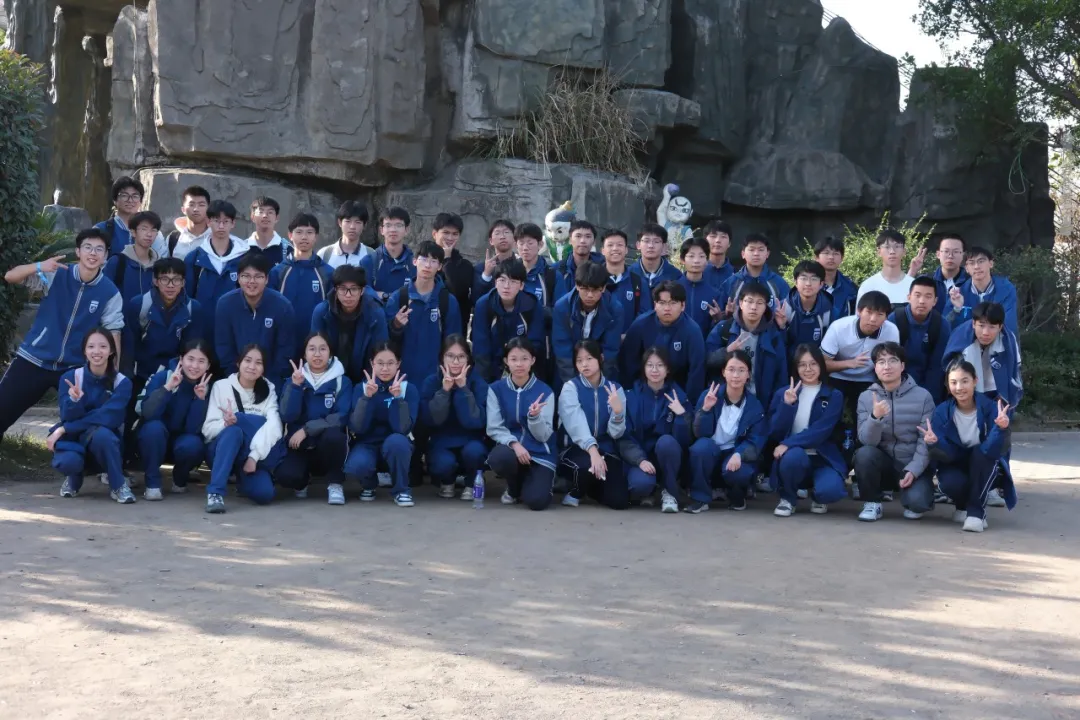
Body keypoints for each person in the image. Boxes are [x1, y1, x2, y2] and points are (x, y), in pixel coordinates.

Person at [0, 228, 124, 446]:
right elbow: (11, 277)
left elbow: (114, 332)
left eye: (99, 249)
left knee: (89, 420)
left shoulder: (110, 292)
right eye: (87, 247)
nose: (93, 253)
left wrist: (112, 372)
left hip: (73, 367)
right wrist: (40, 266)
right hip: (34, 358)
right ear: (78, 251)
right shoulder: (56, 274)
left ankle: (83, 462)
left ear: (106, 255)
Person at [941, 302, 1022, 510]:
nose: (986, 332)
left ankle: (994, 485)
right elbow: (950, 369)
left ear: (1000, 327)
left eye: (992, 327)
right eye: (981, 325)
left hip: (996, 394)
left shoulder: (1009, 339)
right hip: (966, 393)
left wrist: (1009, 401)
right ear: (973, 323)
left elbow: (1014, 372)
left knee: (998, 438)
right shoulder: (961, 335)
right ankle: (957, 484)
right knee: (963, 437)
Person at [924, 359, 1016, 533]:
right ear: (947, 385)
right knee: (949, 483)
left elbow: (994, 450)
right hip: (957, 463)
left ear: (975, 381)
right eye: (953, 382)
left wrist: (1000, 428)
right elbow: (947, 455)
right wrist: (934, 443)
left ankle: (975, 513)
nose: (959, 387)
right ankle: (962, 506)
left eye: (964, 381)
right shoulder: (943, 411)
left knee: (980, 454)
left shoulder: (991, 408)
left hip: (986, 466)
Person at [48, 328, 135, 503]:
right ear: (84, 351)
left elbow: (109, 418)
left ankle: (118, 485)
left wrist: (64, 429)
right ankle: (74, 478)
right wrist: (74, 401)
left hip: (105, 443)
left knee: (103, 434)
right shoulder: (70, 378)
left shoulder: (122, 383)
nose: (97, 351)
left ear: (111, 351)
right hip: (75, 438)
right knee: (68, 461)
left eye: (103, 346)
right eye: (91, 346)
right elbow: (67, 416)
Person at [853, 342, 936, 522]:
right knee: (864, 454)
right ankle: (872, 502)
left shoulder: (923, 396)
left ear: (902, 366)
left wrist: (913, 470)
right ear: (875, 368)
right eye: (881, 362)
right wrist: (875, 418)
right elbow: (867, 441)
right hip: (883, 465)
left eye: (893, 360)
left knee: (918, 504)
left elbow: (925, 441)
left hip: (911, 464)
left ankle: (915, 493)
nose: (887, 366)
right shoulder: (866, 397)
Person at [202, 344, 286, 513]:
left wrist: (254, 457)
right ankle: (215, 493)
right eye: (247, 360)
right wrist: (226, 423)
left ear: (264, 368)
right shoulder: (221, 386)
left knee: (265, 494)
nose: (252, 366)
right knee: (234, 430)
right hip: (221, 451)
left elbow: (275, 426)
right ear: (238, 363)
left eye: (258, 363)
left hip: (249, 456)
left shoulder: (268, 388)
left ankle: (241, 480)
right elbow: (207, 430)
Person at [768, 344, 847, 517]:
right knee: (793, 457)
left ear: (821, 365)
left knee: (831, 490)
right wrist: (787, 405)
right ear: (796, 368)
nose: (808, 369)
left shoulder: (834, 395)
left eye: (813, 364)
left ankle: (818, 496)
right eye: (802, 365)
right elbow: (775, 431)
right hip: (794, 457)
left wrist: (788, 443)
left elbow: (821, 430)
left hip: (822, 457)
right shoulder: (784, 393)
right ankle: (788, 499)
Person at [276, 331, 353, 505]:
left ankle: (335, 483)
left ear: (330, 353)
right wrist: (295, 387)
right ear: (304, 354)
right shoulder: (294, 379)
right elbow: (287, 415)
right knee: (286, 476)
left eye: (322, 349)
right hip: (299, 445)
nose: (317, 354)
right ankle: (303, 480)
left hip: (326, 445)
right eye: (312, 349)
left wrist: (307, 429)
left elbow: (341, 417)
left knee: (334, 435)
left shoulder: (341, 381)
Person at [686, 350, 767, 513]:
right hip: (712, 451)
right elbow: (699, 434)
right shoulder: (709, 395)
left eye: (741, 370)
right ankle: (700, 498)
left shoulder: (754, 405)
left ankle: (737, 495)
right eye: (731, 369)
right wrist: (706, 410)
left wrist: (739, 454)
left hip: (733, 453)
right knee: (700, 448)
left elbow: (756, 439)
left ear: (748, 375)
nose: (735, 375)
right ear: (723, 372)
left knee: (740, 470)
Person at [344, 342, 419, 506]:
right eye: (380, 363)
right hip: (367, 444)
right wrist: (366, 398)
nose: (385, 369)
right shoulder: (361, 388)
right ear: (372, 364)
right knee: (357, 465)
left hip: (395, 445)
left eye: (390, 363)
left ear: (398, 364)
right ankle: (369, 485)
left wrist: (398, 399)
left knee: (397, 442)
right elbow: (357, 427)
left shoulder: (408, 389)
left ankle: (401, 490)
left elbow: (403, 428)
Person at [485, 338, 557, 510]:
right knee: (499, 458)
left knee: (537, 502)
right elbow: (494, 427)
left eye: (524, 359)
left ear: (533, 360)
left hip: (540, 453)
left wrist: (535, 417)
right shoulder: (496, 389)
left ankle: (536, 482)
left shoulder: (545, 391)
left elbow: (544, 436)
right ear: (506, 361)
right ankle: (514, 488)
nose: (519, 364)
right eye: (514, 359)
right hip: (511, 450)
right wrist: (514, 444)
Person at [136, 340, 213, 498]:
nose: (195, 366)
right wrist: (167, 388)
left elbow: (194, 429)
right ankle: (152, 484)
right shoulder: (162, 377)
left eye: (201, 361)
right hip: (155, 440)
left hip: (180, 443)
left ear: (208, 365)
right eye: (190, 359)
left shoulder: (208, 388)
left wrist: (200, 400)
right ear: (181, 359)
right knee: (153, 429)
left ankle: (180, 480)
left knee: (193, 444)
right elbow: (148, 413)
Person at [619, 346, 691, 513]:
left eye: (660, 365)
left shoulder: (678, 396)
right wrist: (640, 460)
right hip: (642, 458)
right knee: (640, 485)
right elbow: (624, 437)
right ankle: (651, 490)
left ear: (668, 369)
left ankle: (670, 492)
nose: (654, 370)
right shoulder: (631, 396)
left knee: (667, 442)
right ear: (643, 369)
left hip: (668, 458)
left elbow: (684, 441)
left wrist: (681, 416)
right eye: (650, 365)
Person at [558, 340, 629, 509]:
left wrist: (618, 413)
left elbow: (616, 433)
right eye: (579, 360)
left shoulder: (615, 389)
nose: (584, 364)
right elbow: (576, 424)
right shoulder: (570, 388)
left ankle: (591, 487)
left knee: (619, 501)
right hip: (575, 448)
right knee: (585, 467)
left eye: (589, 358)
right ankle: (576, 491)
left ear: (601, 358)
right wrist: (593, 451)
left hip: (606, 449)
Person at [419, 335, 489, 501]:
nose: (455, 362)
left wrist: (463, 389)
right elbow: (431, 420)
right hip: (441, 442)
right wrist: (444, 391)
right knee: (443, 464)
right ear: (442, 358)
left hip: (471, 440)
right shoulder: (431, 382)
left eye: (461, 356)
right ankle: (447, 481)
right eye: (450, 356)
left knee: (475, 452)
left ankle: (472, 482)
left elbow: (476, 421)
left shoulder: (478, 383)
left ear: (468, 359)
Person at [385, 240, 463, 384]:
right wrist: (396, 325)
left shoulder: (447, 301)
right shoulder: (399, 298)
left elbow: (454, 342)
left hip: (436, 378)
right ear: (414, 261)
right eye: (424, 259)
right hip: (401, 378)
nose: (428, 265)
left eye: (434, 261)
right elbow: (385, 340)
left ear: (440, 266)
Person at [215, 253, 296, 386]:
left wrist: (269, 383)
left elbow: (284, 351)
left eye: (258, 276)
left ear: (266, 279)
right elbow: (224, 347)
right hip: (235, 379)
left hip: (271, 381)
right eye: (246, 276)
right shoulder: (225, 304)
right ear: (238, 278)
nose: (252, 281)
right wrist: (237, 379)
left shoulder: (283, 306)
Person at [620, 281, 705, 402]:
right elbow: (629, 363)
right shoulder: (640, 325)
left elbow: (696, 371)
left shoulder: (692, 331)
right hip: (644, 389)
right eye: (662, 303)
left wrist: (688, 403)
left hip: (678, 391)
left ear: (683, 306)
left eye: (673, 303)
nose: (667, 308)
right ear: (655, 304)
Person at [706, 281, 788, 406]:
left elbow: (781, 374)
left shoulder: (773, 336)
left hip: (760, 403)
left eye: (759, 303)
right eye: (749, 301)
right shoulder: (724, 329)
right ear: (740, 303)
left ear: (766, 307)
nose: (754, 307)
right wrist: (726, 352)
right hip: (725, 401)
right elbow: (707, 360)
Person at [821, 290, 899, 420]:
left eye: (880, 314)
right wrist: (849, 363)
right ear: (859, 311)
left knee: (867, 415)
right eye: (869, 312)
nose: (873, 319)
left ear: (886, 317)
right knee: (830, 413)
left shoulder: (891, 331)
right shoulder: (839, 327)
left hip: (868, 378)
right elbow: (822, 363)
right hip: (837, 375)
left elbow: (892, 362)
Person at [183, 199, 250, 342]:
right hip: (200, 330)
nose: (221, 226)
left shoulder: (244, 258)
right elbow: (186, 297)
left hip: (234, 330)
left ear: (233, 223)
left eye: (226, 222)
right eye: (216, 221)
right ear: (208, 222)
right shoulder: (194, 258)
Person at [310, 265, 389, 384]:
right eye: (342, 289)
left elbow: (381, 353)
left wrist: (368, 385)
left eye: (354, 289)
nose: (348, 295)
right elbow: (315, 350)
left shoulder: (375, 314)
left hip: (366, 378)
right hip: (328, 377)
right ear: (335, 290)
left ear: (362, 291)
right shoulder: (322, 312)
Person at [268, 213, 332, 360]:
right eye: (299, 232)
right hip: (283, 343)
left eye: (309, 232)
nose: (304, 237)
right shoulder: (278, 272)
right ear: (290, 235)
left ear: (316, 237)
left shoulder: (327, 273)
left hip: (316, 346)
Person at [471, 258, 545, 383]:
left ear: (521, 285)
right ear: (495, 282)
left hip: (523, 367)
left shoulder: (532, 304)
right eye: (502, 280)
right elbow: (481, 349)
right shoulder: (484, 305)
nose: (506, 286)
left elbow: (535, 344)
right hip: (492, 367)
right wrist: (484, 385)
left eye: (513, 281)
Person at [551, 261, 624, 386]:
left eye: (595, 290)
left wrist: (598, 383)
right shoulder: (562, 307)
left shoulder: (615, 309)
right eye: (585, 289)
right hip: (569, 370)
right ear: (577, 286)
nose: (590, 295)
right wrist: (573, 385)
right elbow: (562, 349)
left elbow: (610, 350)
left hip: (601, 370)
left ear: (604, 288)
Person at [889, 276, 951, 404]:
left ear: (935, 301)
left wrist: (926, 398)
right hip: (896, 383)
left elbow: (937, 366)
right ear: (909, 297)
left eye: (928, 297)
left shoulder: (941, 325)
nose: (922, 301)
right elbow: (888, 359)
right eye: (917, 295)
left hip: (928, 386)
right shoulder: (894, 320)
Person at [950, 246, 1020, 335]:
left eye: (981, 261)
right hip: (967, 341)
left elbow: (1009, 326)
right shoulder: (959, 292)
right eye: (971, 263)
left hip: (999, 341)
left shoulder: (1006, 289)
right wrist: (956, 309)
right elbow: (948, 327)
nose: (976, 267)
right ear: (966, 268)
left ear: (991, 263)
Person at [95, 176, 168, 258]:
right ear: (115, 200)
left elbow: (161, 261)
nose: (130, 200)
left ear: (141, 201)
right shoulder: (101, 230)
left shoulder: (152, 232)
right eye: (124, 195)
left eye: (135, 196)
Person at [718, 233, 790, 315]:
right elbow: (720, 315)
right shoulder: (731, 283)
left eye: (761, 250)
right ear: (743, 254)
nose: (756, 254)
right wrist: (727, 315)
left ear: (767, 254)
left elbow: (788, 313)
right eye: (751, 250)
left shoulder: (779, 283)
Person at [855, 229, 926, 308]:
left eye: (897, 246)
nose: (892, 251)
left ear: (904, 251)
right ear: (879, 252)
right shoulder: (868, 286)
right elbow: (860, 315)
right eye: (887, 247)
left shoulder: (914, 286)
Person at [103, 210, 163, 302]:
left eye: (153, 230)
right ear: (133, 232)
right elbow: (105, 294)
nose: (149, 234)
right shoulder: (117, 262)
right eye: (144, 229)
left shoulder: (161, 265)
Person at [360, 206, 415, 303]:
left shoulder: (415, 263)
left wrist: (384, 295)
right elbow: (362, 292)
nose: (393, 230)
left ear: (406, 230)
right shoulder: (369, 261)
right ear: (381, 230)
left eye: (398, 225)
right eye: (388, 225)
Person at [601, 229, 650, 335]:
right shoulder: (595, 279)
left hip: (629, 341)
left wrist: (628, 335)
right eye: (610, 245)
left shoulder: (638, 281)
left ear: (626, 249)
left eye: (619, 245)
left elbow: (645, 315)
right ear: (603, 250)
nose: (615, 248)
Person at [780, 260, 835, 352]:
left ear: (821, 284)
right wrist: (781, 327)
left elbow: (831, 346)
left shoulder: (829, 311)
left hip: (816, 359)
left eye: (814, 279)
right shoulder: (783, 308)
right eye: (803, 278)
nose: (808, 283)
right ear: (795, 282)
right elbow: (775, 345)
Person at [431, 212, 474, 330]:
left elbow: (457, 291)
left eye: (455, 234)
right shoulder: (423, 261)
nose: (450, 238)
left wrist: (447, 260)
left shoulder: (465, 265)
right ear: (434, 234)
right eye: (446, 232)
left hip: (455, 327)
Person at [678, 237, 723, 339]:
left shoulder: (714, 294)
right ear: (682, 260)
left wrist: (718, 319)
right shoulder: (672, 289)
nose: (696, 261)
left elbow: (716, 331)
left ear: (707, 260)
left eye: (701, 256)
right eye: (691, 256)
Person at [553, 220, 605, 300]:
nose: (582, 241)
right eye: (578, 236)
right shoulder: (556, 270)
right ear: (570, 240)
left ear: (594, 242)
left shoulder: (603, 268)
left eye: (588, 236)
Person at [630, 223, 683, 294]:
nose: (651, 246)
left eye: (656, 241)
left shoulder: (675, 275)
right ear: (638, 245)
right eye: (646, 241)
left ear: (664, 247)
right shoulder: (629, 274)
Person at [318, 200, 373, 268]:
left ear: (364, 225)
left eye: (358, 222)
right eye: (348, 221)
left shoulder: (371, 255)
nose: (352, 226)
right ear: (340, 222)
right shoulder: (324, 254)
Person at [473, 219, 518, 301]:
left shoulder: (521, 265)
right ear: (491, 241)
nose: (502, 237)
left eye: (506, 232)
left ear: (514, 238)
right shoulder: (480, 268)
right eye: (497, 233)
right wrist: (486, 274)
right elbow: (475, 299)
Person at [814, 235, 858, 319]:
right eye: (826, 253)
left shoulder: (850, 287)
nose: (831, 257)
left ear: (842, 258)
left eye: (836, 253)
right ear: (816, 257)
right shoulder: (808, 285)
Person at [166, 186, 212, 260]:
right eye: (191, 205)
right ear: (183, 209)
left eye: (201, 205)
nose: (196, 209)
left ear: (209, 209)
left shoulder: (216, 237)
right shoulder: (173, 238)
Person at [246, 196, 292, 265]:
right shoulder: (242, 249)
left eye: (270, 212)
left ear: (277, 218)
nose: (265, 215)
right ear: (252, 217)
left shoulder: (287, 250)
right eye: (261, 212)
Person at [932, 233, 970, 315]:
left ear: (963, 255)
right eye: (946, 251)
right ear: (938, 254)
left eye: (955, 252)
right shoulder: (927, 281)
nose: (950, 256)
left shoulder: (971, 283)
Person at [703, 220, 735, 290]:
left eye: (723, 237)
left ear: (729, 243)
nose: (718, 240)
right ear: (705, 241)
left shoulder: (736, 274)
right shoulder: (697, 271)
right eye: (713, 236)